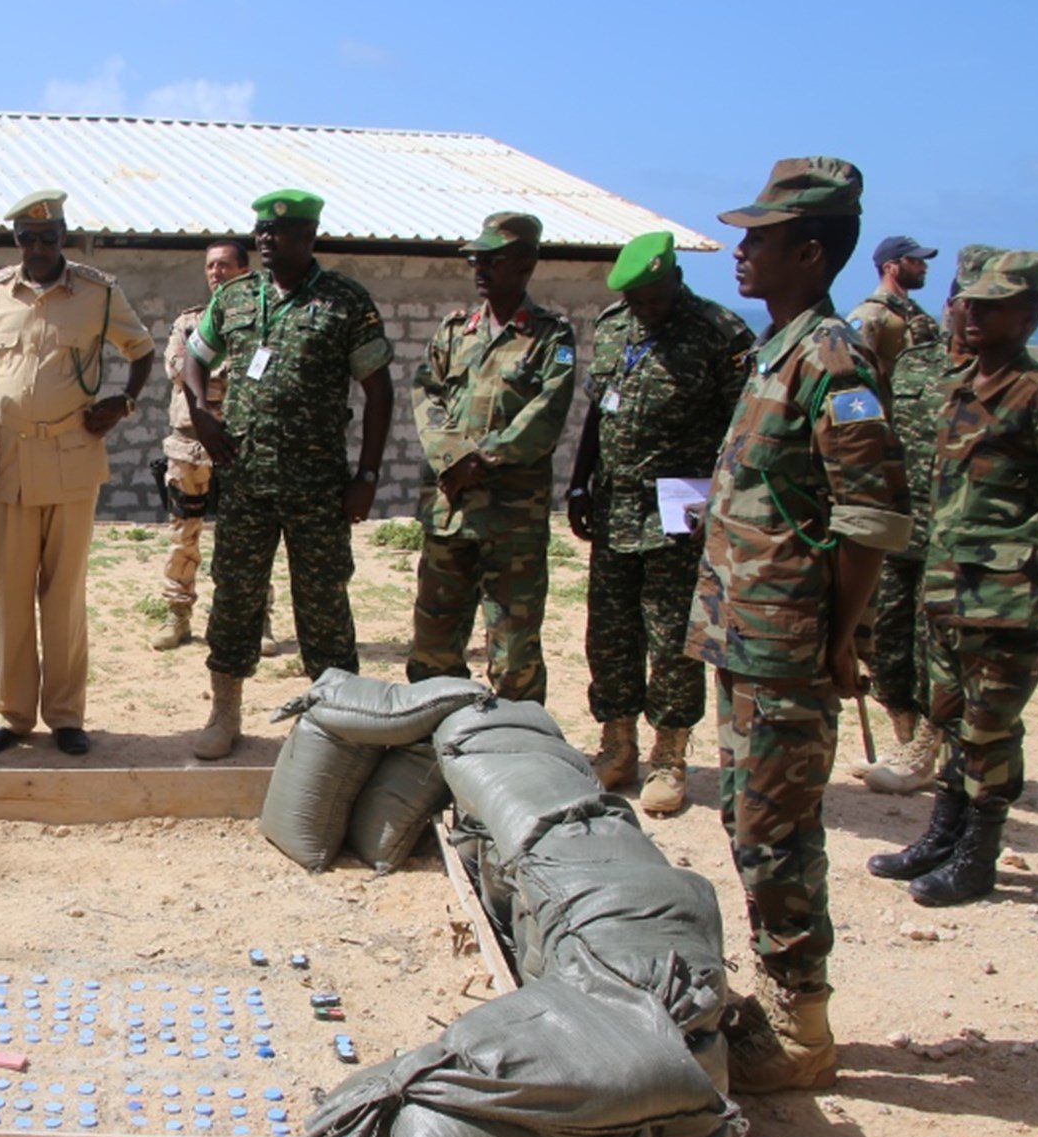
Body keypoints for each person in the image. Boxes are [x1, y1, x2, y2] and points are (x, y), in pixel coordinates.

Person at [689, 157, 910, 1093]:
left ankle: (801, 1020)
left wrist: (838, 636)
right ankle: (784, 993)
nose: (741, 251)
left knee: (778, 831)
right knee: (748, 819)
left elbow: (872, 519)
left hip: (785, 642)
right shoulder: (776, 347)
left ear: (812, 252)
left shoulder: (832, 357)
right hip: (745, 631)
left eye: (762, 237)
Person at [181, 190, 395, 759]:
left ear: (309, 237)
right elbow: (193, 358)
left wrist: (368, 473)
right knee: (235, 597)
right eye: (261, 232)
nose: (266, 241)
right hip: (247, 480)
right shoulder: (234, 298)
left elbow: (379, 390)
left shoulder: (345, 302)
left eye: (280, 232)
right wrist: (202, 414)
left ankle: (333, 721)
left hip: (318, 484)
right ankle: (225, 712)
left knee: (323, 602)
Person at [868, 250, 1038, 907]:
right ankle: (942, 835)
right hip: (945, 589)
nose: (970, 312)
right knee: (946, 719)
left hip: (1005, 599)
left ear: (1030, 313)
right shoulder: (960, 385)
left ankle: (977, 857)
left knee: (989, 730)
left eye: (990, 304)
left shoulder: (1036, 396)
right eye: (967, 300)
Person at [0, 188, 155, 757]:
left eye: (49, 237)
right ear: (15, 240)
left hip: (73, 456)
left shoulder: (97, 292)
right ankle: (12, 715)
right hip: (7, 460)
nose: (38, 247)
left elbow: (140, 350)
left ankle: (66, 715)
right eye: (27, 238)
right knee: (9, 596)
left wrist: (124, 403)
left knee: (63, 595)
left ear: (63, 236)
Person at [567, 232, 752, 815]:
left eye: (650, 295)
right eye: (635, 298)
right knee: (610, 630)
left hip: (680, 510)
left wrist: (718, 506)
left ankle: (669, 755)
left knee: (672, 636)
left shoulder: (721, 334)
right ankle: (616, 743)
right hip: (616, 504)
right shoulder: (616, 324)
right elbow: (600, 407)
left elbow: (742, 430)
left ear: (673, 279)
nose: (642, 307)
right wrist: (579, 480)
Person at [408, 212, 577, 703]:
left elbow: (546, 414)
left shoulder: (550, 337)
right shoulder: (455, 331)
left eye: (492, 259)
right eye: (475, 259)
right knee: (434, 641)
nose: (479, 268)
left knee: (513, 648)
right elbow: (426, 394)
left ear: (526, 263)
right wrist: (451, 458)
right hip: (450, 509)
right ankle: (435, 742)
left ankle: (517, 752)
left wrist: (481, 460)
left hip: (511, 518)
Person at [859, 246, 999, 794]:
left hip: (964, 545)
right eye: (964, 302)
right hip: (904, 528)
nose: (968, 314)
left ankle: (933, 747)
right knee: (890, 641)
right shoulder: (916, 361)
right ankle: (907, 736)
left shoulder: (1007, 382)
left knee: (939, 650)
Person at [154, 239, 280, 655]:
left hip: (240, 445)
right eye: (210, 266)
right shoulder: (188, 322)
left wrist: (205, 371)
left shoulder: (261, 322)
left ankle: (257, 617)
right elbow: (177, 368)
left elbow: (259, 373)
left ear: (244, 270)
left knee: (247, 537)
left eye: (225, 265)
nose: (215, 273)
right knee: (183, 534)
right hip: (188, 444)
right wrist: (219, 374)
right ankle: (178, 616)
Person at [849, 235, 942, 392]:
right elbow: (856, 369)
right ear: (890, 268)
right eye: (915, 261)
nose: (924, 267)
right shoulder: (870, 314)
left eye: (922, 262)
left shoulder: (913, 312)